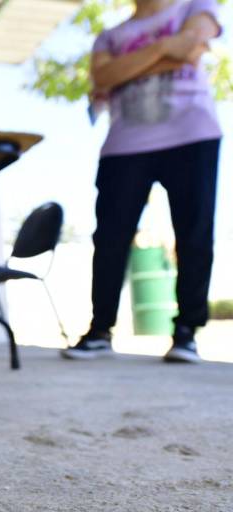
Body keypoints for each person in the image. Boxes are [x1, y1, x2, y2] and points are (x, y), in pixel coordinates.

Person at [62, 0, 223, 363]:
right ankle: (100, 329)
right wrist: (167, 47)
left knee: (194, 233)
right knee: (110, 237)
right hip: (125, 142)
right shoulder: (109, 35)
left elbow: (191, 51)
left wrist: (127, 67)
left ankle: (186, 332)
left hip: (192, 132)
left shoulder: (196, 6)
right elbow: (103, 78)